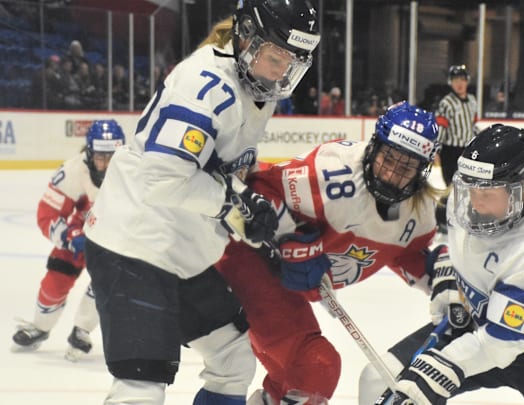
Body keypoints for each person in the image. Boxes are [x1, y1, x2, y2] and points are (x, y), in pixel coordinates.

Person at [81, 1, 320, 404]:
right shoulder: (207, 85)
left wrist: (254, 216)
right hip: (135, 245)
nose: (281, 73)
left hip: (181, 251)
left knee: (233, 358)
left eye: (291, 63)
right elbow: (162, 179)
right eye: (275, 57)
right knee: (142, 384)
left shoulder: (254, 84)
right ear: (246, 36)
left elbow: (220, 173)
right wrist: (233, 203)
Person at [359, 123, 524, 405]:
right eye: (470, 188)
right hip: (476, 324)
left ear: (522, 189)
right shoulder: (466, 197)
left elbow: (502, 342)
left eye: (489, 193)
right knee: (377, 380)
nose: (476, 203)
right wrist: (447, 265)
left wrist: (442, 369)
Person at [216, 101, 446, 405]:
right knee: (316, 365)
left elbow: (409, 257)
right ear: (374, 147)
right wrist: (288, 237)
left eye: (406, 167)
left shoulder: (420, 215)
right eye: (387, 158)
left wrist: (447, 283)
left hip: (284, 287)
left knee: (305, 374)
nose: (391, 173)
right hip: (248, 261)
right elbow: (256, 193)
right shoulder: (334, 172)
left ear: (422, 171)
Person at [11, 119, 125, 362]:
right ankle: (40, 327)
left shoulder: (131, 172)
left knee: (105, 283)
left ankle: (81, 330)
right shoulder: (73, 171)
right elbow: (47, 214)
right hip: (78, 237)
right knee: (55, 280)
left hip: (110, 240)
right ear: (89, 152)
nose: (106, 165)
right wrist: (69, 237)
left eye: (111, 156)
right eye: (100, 157)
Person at [434, 64, 478, 234]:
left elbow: (472, 124)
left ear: (467, 81)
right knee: (452, 186)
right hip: (450, 151)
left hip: (466, 151)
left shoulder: (473, 101)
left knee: (468, 185)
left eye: (462, 79)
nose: (459, 83)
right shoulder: (447, 103)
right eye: (455, 80)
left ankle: (466, 216)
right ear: (450, 82)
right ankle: (439, 217)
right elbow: (442, 127)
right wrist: (437, 149)